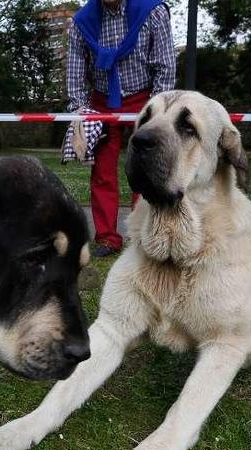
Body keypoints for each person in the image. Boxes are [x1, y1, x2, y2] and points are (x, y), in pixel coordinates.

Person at [67, 0, 175, 257]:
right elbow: (75, 71)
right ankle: (107, 238)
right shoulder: (80, 22)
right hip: (102, 100)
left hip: (145, 96)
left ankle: (144, 235)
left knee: (147, 169)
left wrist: (159, 110)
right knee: (102, 172)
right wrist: (81, 112)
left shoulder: (153, 12)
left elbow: (165, 65)